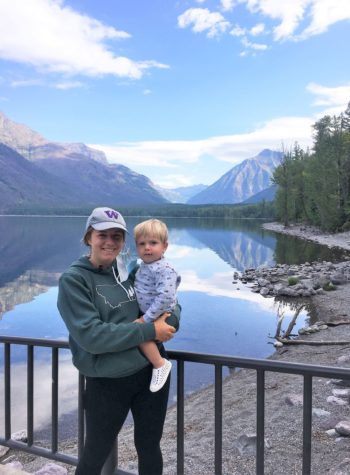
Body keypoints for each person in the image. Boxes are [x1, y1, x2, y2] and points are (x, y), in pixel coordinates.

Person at [57, 207, 180, 475]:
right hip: (108, 382)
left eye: (117, 236)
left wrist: (168, 323)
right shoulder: (74, 280)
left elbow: (168, 301)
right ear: (89, 236)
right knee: (94, 455)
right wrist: (150, 331)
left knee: (149, 447)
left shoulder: (130, 269)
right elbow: (92, 336)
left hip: (151, 374)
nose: (110, 242)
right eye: (103, 235)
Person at [133, 219, 181, 392]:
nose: (147, 247)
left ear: (165, 246)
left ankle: (160, 364)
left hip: (160, 315)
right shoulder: (145, 266)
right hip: (150, 313)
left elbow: (166, 297)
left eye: (153, 243)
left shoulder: (164, 268)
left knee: (141, 335)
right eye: (142, 243)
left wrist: (146, 319)